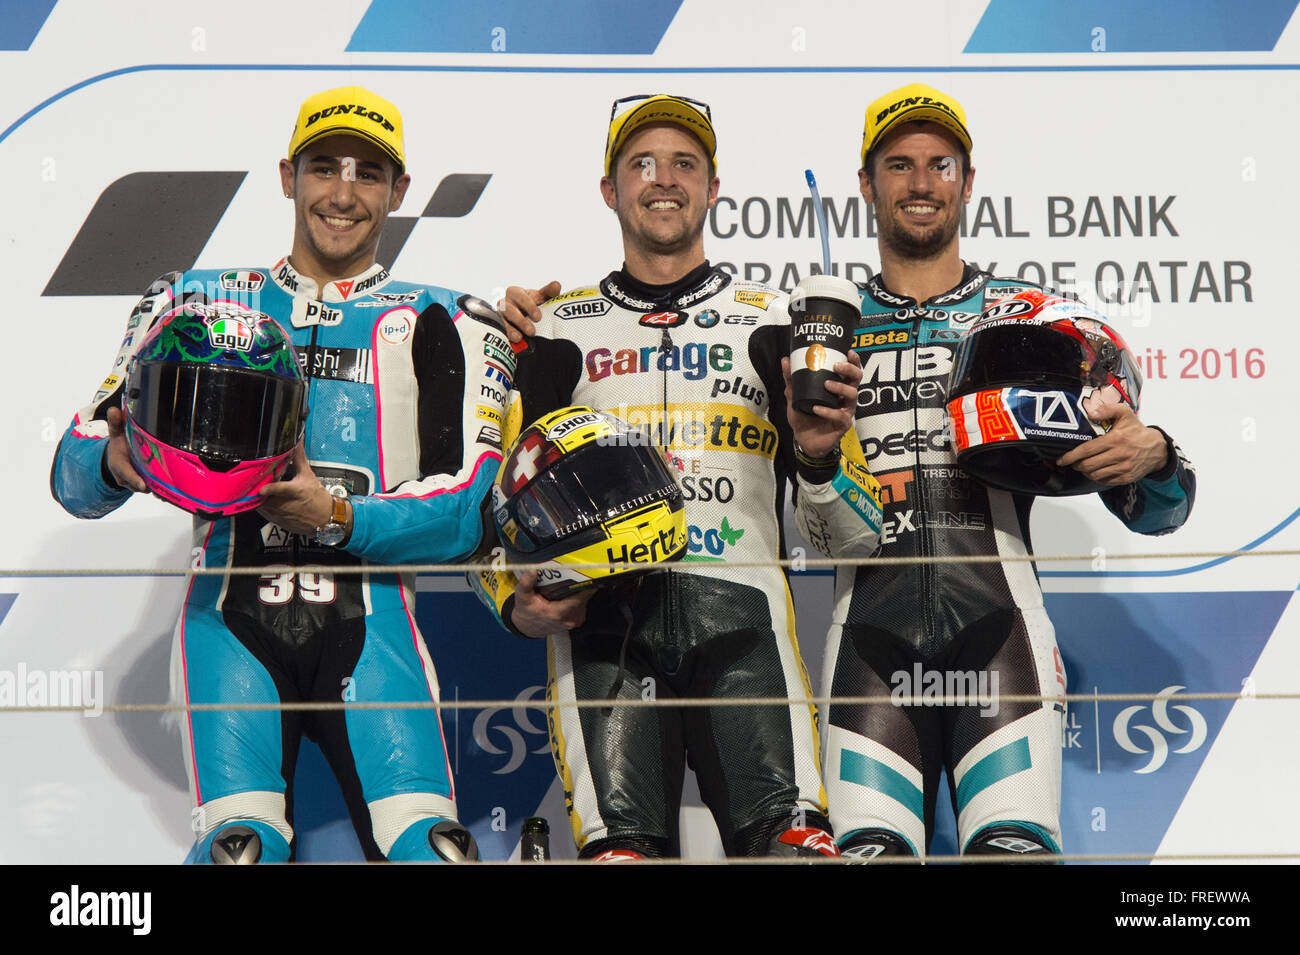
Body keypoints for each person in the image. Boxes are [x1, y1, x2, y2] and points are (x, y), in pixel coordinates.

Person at [50, 86, 508, 863]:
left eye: (369, 173)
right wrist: (118, 463)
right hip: (226, 624)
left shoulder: (450, 318)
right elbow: (72, 472)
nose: (342, 193)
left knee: (435, 852)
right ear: (287, 175)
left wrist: (333, 516)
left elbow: (467, 516)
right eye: (324, 167)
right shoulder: (188, 300)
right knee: (239, 850)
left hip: (374, 629)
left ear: (400, 191)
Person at [789, 83, 1197, 859]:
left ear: (967, 182)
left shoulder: (1031, 322)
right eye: (898, 164)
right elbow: (808, 525)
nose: (919, 182)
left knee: (1014, 852)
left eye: (940, 164)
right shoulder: (821, 326)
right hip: (867, 646)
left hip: (1000, 638)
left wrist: (1154, 454)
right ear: (867, 184)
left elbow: (1159, 510)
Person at [480, 94, 882, 860]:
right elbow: (489, 514)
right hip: (603, 629)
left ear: (713, 187)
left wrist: (823, 458)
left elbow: (855, 534)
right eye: (642, 163)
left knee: (792, 850)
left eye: (684, 163)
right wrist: (514, 601)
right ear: (610, 190)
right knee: (620, 855)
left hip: (747, 622)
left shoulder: (779, 325)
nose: (663, 179)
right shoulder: (551, 331)